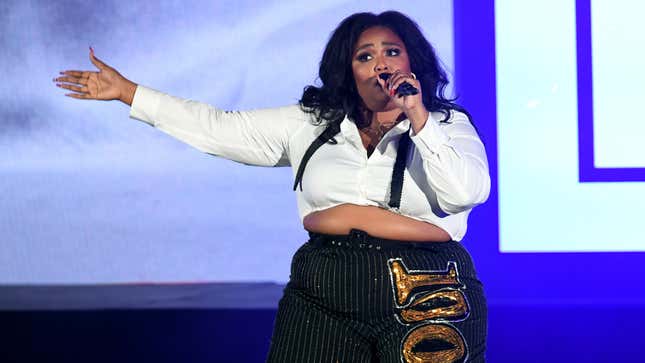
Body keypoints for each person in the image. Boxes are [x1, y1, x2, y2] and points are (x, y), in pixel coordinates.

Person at [53, 10, 490, 363]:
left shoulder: (447, 126)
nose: (381, 63)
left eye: (392, 52)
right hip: (324, 288)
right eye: (365, 56)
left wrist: (418, 118)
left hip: (426, 287)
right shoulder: (311, 123)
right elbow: (219, 128)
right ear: (349, 70)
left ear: (412, 62)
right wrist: (131, 93)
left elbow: (465, 194)